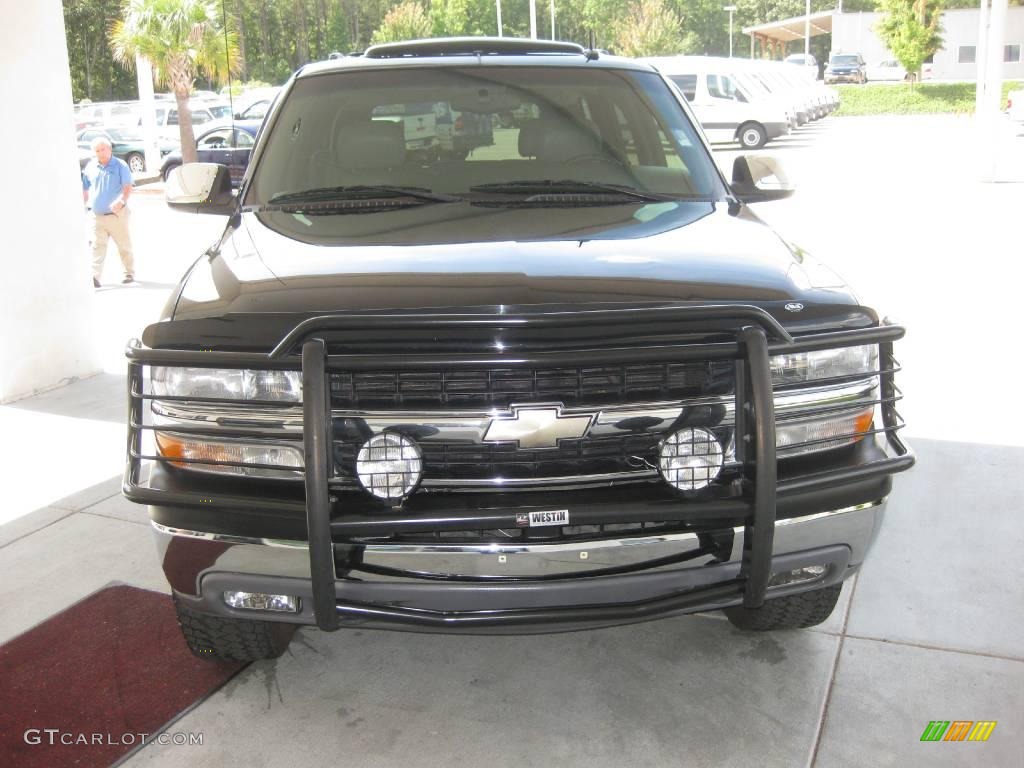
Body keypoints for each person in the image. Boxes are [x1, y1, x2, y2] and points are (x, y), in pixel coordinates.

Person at [82, 136, 134, 286]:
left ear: (109, 149)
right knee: (98, 246)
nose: (100, 153)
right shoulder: (91, 167)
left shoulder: (120, 165)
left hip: (117, 215)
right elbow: (85, 189)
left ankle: (129, 273)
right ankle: (95, 277)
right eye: (97, 150)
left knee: (123, 245)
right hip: (97, 215)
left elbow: (127, 187)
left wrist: (122, 200)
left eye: (102, 149)